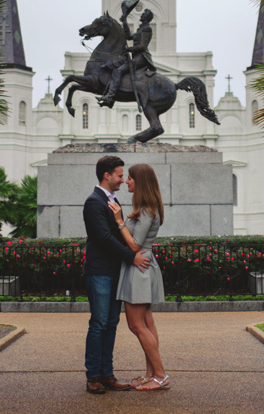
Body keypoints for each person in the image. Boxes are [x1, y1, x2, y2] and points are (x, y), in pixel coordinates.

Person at [83, 155, 150, 394]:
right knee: (99, 323)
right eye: (120, 175)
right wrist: (132, 257)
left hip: (114, 272)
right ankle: (93, 376)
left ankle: (107, 374)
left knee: (111, 323)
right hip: (100, 272)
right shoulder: (94, 202)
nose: (123, 180)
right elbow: (103, 238)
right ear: (107, 175)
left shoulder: (112, 200)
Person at [108, 163, 170, 391]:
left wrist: (119, 221)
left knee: (136, 325)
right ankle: (151, 374)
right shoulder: (146, 208)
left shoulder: (147, 210)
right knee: (146, 323)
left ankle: (161, 375)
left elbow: (134, 245)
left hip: (139, 269)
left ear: (140, 182)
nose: (126, 181)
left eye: (131, 178)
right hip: (141, 267)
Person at [98, 8, 156, 108]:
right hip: (135, 56)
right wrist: (124, 21)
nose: (141, 15)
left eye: (144, 14)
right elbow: (128, 36)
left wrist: (130, 49)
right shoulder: (140, 29)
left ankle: (110, 96)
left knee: (118, 71)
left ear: (147, 18)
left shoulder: (147, 29)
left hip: (141, 57)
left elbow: (143, 46)